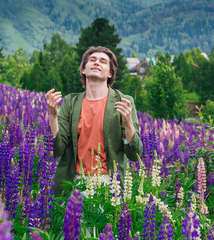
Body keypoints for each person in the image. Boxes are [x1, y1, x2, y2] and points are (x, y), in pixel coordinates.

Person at [45, 46, 143, 196]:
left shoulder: (123, 101)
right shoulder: (70, 102)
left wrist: (128, 123)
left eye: (103, 61)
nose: (97, 62)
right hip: (75, 181)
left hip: (110, 183)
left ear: (110, 73)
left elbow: (134, 153)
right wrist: (53, 116)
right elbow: (57, 149)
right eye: (92, 60)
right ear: (84, 70)